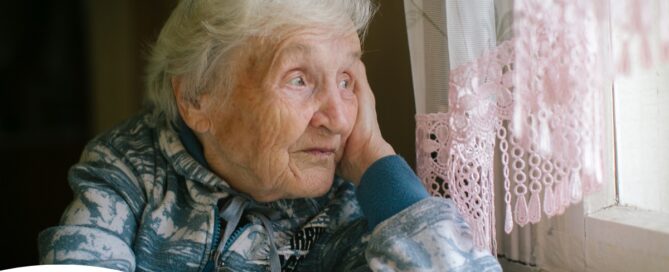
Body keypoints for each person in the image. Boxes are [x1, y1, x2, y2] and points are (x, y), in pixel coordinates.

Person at [38, 0, 502, 271]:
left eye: (346, 80)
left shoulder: (349, 198)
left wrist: (377, 162)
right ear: (198, 97)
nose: (339, 119)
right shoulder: (128, 171)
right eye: (298, 79)